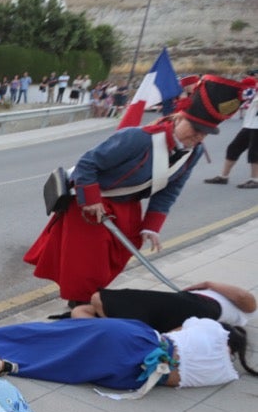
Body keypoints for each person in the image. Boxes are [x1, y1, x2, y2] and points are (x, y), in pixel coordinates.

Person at [23, 75, 249, 307]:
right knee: (87, 265)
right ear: (178, 118)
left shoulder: (195, 152)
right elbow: (87, 164)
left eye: (205, 133)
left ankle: (89, 303)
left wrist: (152, 226)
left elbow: (170, 190)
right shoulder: (138, 138)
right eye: (195, 129)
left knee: (119, 254)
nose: (199, 137)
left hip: (126, 206)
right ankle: (79, 307)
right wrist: (91, 200)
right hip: (92, 202)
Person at [0, 316, 256, 395]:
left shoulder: (212, 329)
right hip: (137, 376)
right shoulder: (224, 375)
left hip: (137, 339)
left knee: (55, 333)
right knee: (65, 363)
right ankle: (2, 360)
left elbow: (174, 333)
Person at [71, 281, 255, 332]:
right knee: (80, 311)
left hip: (198, 307)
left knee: (98, 298)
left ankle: (111, 331)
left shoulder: (247, 311)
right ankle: (108, 332)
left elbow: (242, 296)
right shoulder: (239, 319)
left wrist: (208, 284)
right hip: (178, 314)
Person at [204, 85, 258, 188]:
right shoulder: (253, 88)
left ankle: (255, 179)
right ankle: (224, 176)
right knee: (233, 148)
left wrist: (249, 99)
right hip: (249, 124)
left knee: (254, 152)